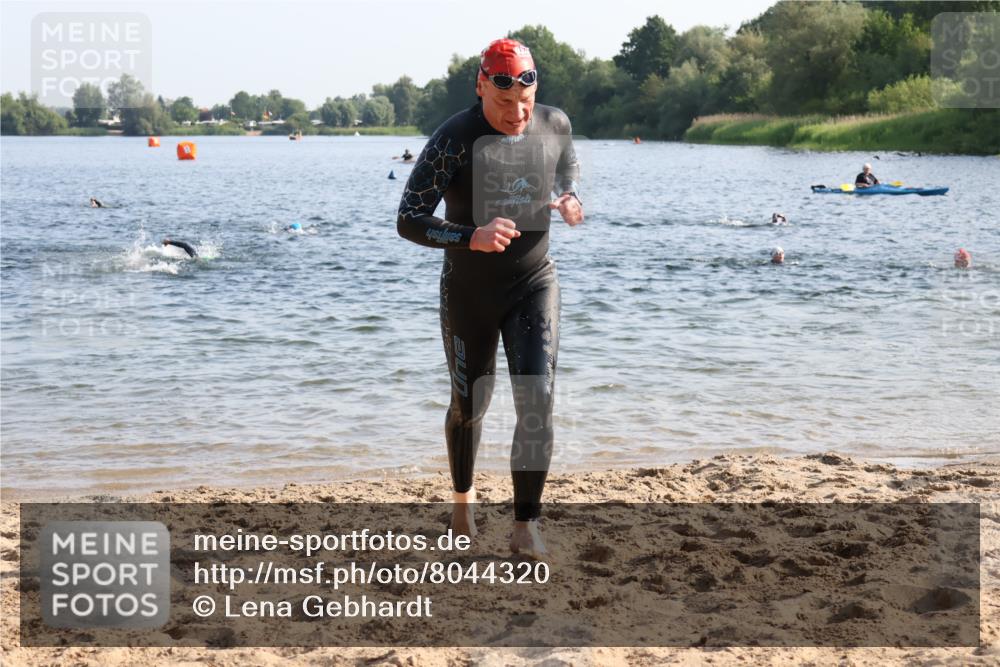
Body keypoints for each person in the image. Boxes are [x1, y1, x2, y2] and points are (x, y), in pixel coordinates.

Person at [396, 37, 582, 558]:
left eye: (525, 103)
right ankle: (463, 500)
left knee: (537, 399)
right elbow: (408, 220)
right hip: (470, 290)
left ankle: (525, 525)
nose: (516, 114)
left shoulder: (555, 123)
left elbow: (566, 169)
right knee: (470, 405)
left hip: (533, 282)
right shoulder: (454, 138)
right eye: (503, 105)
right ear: (481, 87)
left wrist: (570, 199)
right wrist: (469, 236)